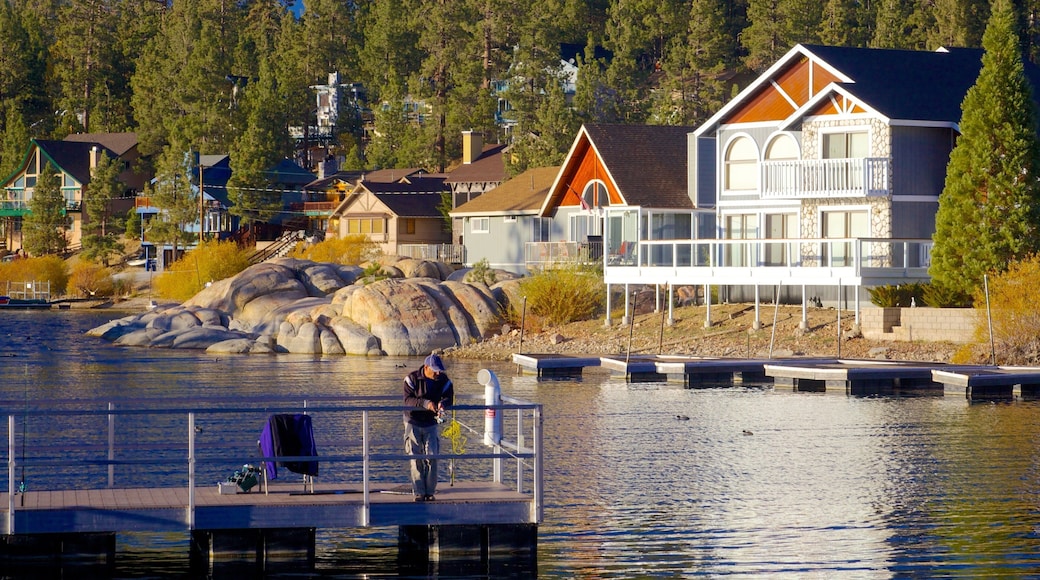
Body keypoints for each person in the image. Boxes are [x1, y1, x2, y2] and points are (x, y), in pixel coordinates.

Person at [403, 353, 454, 502]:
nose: (438, 373)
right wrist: (426, 404)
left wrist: (443, 404)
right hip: (413, 422)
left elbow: (449, 396)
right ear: (426, 368)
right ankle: (419, 492)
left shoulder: (444, 380)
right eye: (435, 370)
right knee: (415, 457)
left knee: (432, 457)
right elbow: (408, 400)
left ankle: (430, 492)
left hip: (431, 423)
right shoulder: (411, 379)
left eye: (440, 370)